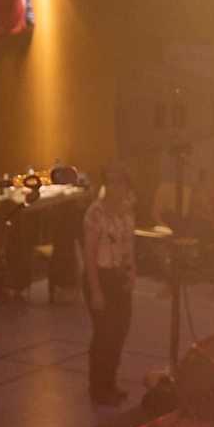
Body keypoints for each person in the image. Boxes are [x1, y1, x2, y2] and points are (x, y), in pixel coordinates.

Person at [83, 161, 137, 405]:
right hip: (101, 276)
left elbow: (128, 244)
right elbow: (90, 253)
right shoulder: (95, 213)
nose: (116, 187)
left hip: (119, 275)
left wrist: (132, 270)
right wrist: (95, 289)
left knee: (120, 330)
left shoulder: (127, 211)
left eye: (120, 182)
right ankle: (98, 386)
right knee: (104, 333)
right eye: (111, 182)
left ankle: (110, 380)